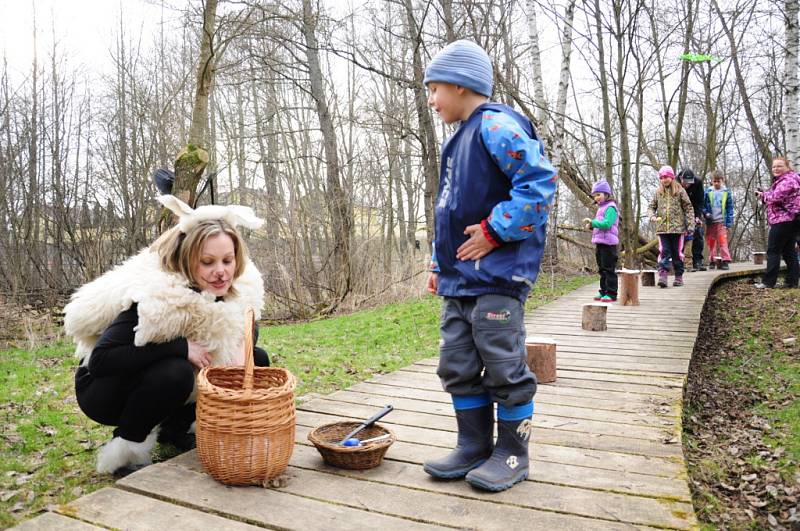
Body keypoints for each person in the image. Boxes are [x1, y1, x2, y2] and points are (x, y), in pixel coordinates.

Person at [421, 40, 557, 492]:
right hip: (459, 281)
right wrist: (438, 264)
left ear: (460, 86)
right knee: (456, 363)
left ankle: (513, 452)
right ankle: (473, 445)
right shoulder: (458, 138)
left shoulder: (495, 126)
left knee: (502, 363)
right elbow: (450, 212)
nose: (431, 99)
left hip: (498, 277)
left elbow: (539, 185)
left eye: (434, 89)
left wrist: (496, 231)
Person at [63, 195, 268, 476]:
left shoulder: (239, 290)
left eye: (227, 260)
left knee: (256, 359)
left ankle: (179, 427)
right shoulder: (159, 297)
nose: (221, 272)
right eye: (207, 262)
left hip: (154, 378)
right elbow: (101, 360)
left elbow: (244, 327)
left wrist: (244, 344)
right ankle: (127, 448)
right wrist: (179, 347)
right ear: (187, 260)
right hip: (105, 390)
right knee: (177, 371)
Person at [755, 157, 800, 289]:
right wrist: (765, 194)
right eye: (774, 167)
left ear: (787, 167)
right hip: (791, 220)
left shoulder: (788, 181)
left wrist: (763, 196)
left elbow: (775, 197)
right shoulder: (788, 180)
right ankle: (792, 281)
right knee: (788, 252)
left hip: (783, 220)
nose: (776, 169)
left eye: (779, 166)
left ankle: (768, 282)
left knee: (773, 250)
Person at [648, 165, 695, 287]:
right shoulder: (658, 193)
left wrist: (690, 225)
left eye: (667, 177)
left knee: (677, 253)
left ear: (672, 177)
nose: (664, 179)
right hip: (662, 229)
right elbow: (651, 207)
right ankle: (663, 274)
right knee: (664, 251)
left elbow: (688, 208)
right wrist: (652, 216)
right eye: (662, 177)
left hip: (678, 229)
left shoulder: (680, 191)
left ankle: (678, 276)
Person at [582, 179, 619, 302]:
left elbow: (607, 224)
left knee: (609, 269)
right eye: (594, 195)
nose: (596, 198)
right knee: (602, 269)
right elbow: (599, 225)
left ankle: (612, 293)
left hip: (609, 244)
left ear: (606, 194)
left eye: (599, 194)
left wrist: (593, 222)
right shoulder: (600, 208)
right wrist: (591, 226)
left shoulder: (611, 208)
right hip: (600, 243)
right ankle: (603, 291)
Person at [702, 170, 734, 270]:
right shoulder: (708, 191)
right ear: (711, 181)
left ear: (722, 180)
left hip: (721, 221)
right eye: (714, 181)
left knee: (722, 241)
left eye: (718, 181)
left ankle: (725, 261)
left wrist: (728, 224)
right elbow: (703, 206)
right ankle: (712, 260)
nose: (716, 183)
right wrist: (706, 213)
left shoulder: (726, 192)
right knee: (711, 242)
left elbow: (729, 208)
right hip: (711, 222)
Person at [676, 169, 706, 271]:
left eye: (689, 183)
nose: (687, 185)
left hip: (693, 210)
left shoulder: (698, 183)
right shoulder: (675, 183)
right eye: (685, 183)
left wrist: (697, 216)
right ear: (681, 179)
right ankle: (681, 261)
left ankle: (697, 260)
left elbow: (700, 201)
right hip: (679, 211)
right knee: (681, 236)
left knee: (697, 232)